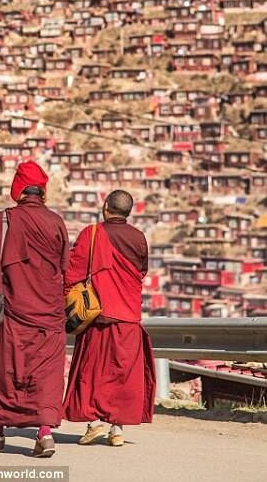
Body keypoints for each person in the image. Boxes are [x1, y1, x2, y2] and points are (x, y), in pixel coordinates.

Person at [0, 161, 69, 458]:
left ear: (18, 188)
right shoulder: (56, 222)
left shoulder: (5, 221)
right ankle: (45, 434)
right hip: (50, 314)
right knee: (46, 375)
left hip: (16, 310)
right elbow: (64, 267)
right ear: (43, 190)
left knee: (7, 371)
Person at [62, 189, 156, 447]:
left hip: (97, 316)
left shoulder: (91, 234)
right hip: (128, 318)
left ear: (105, 207)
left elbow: (73, 274)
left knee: (92, 373)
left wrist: (67, 302)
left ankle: (94, 424)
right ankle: (117, 430)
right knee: (121, 376)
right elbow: (141, 271)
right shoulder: (139, 238)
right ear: (129, 212)